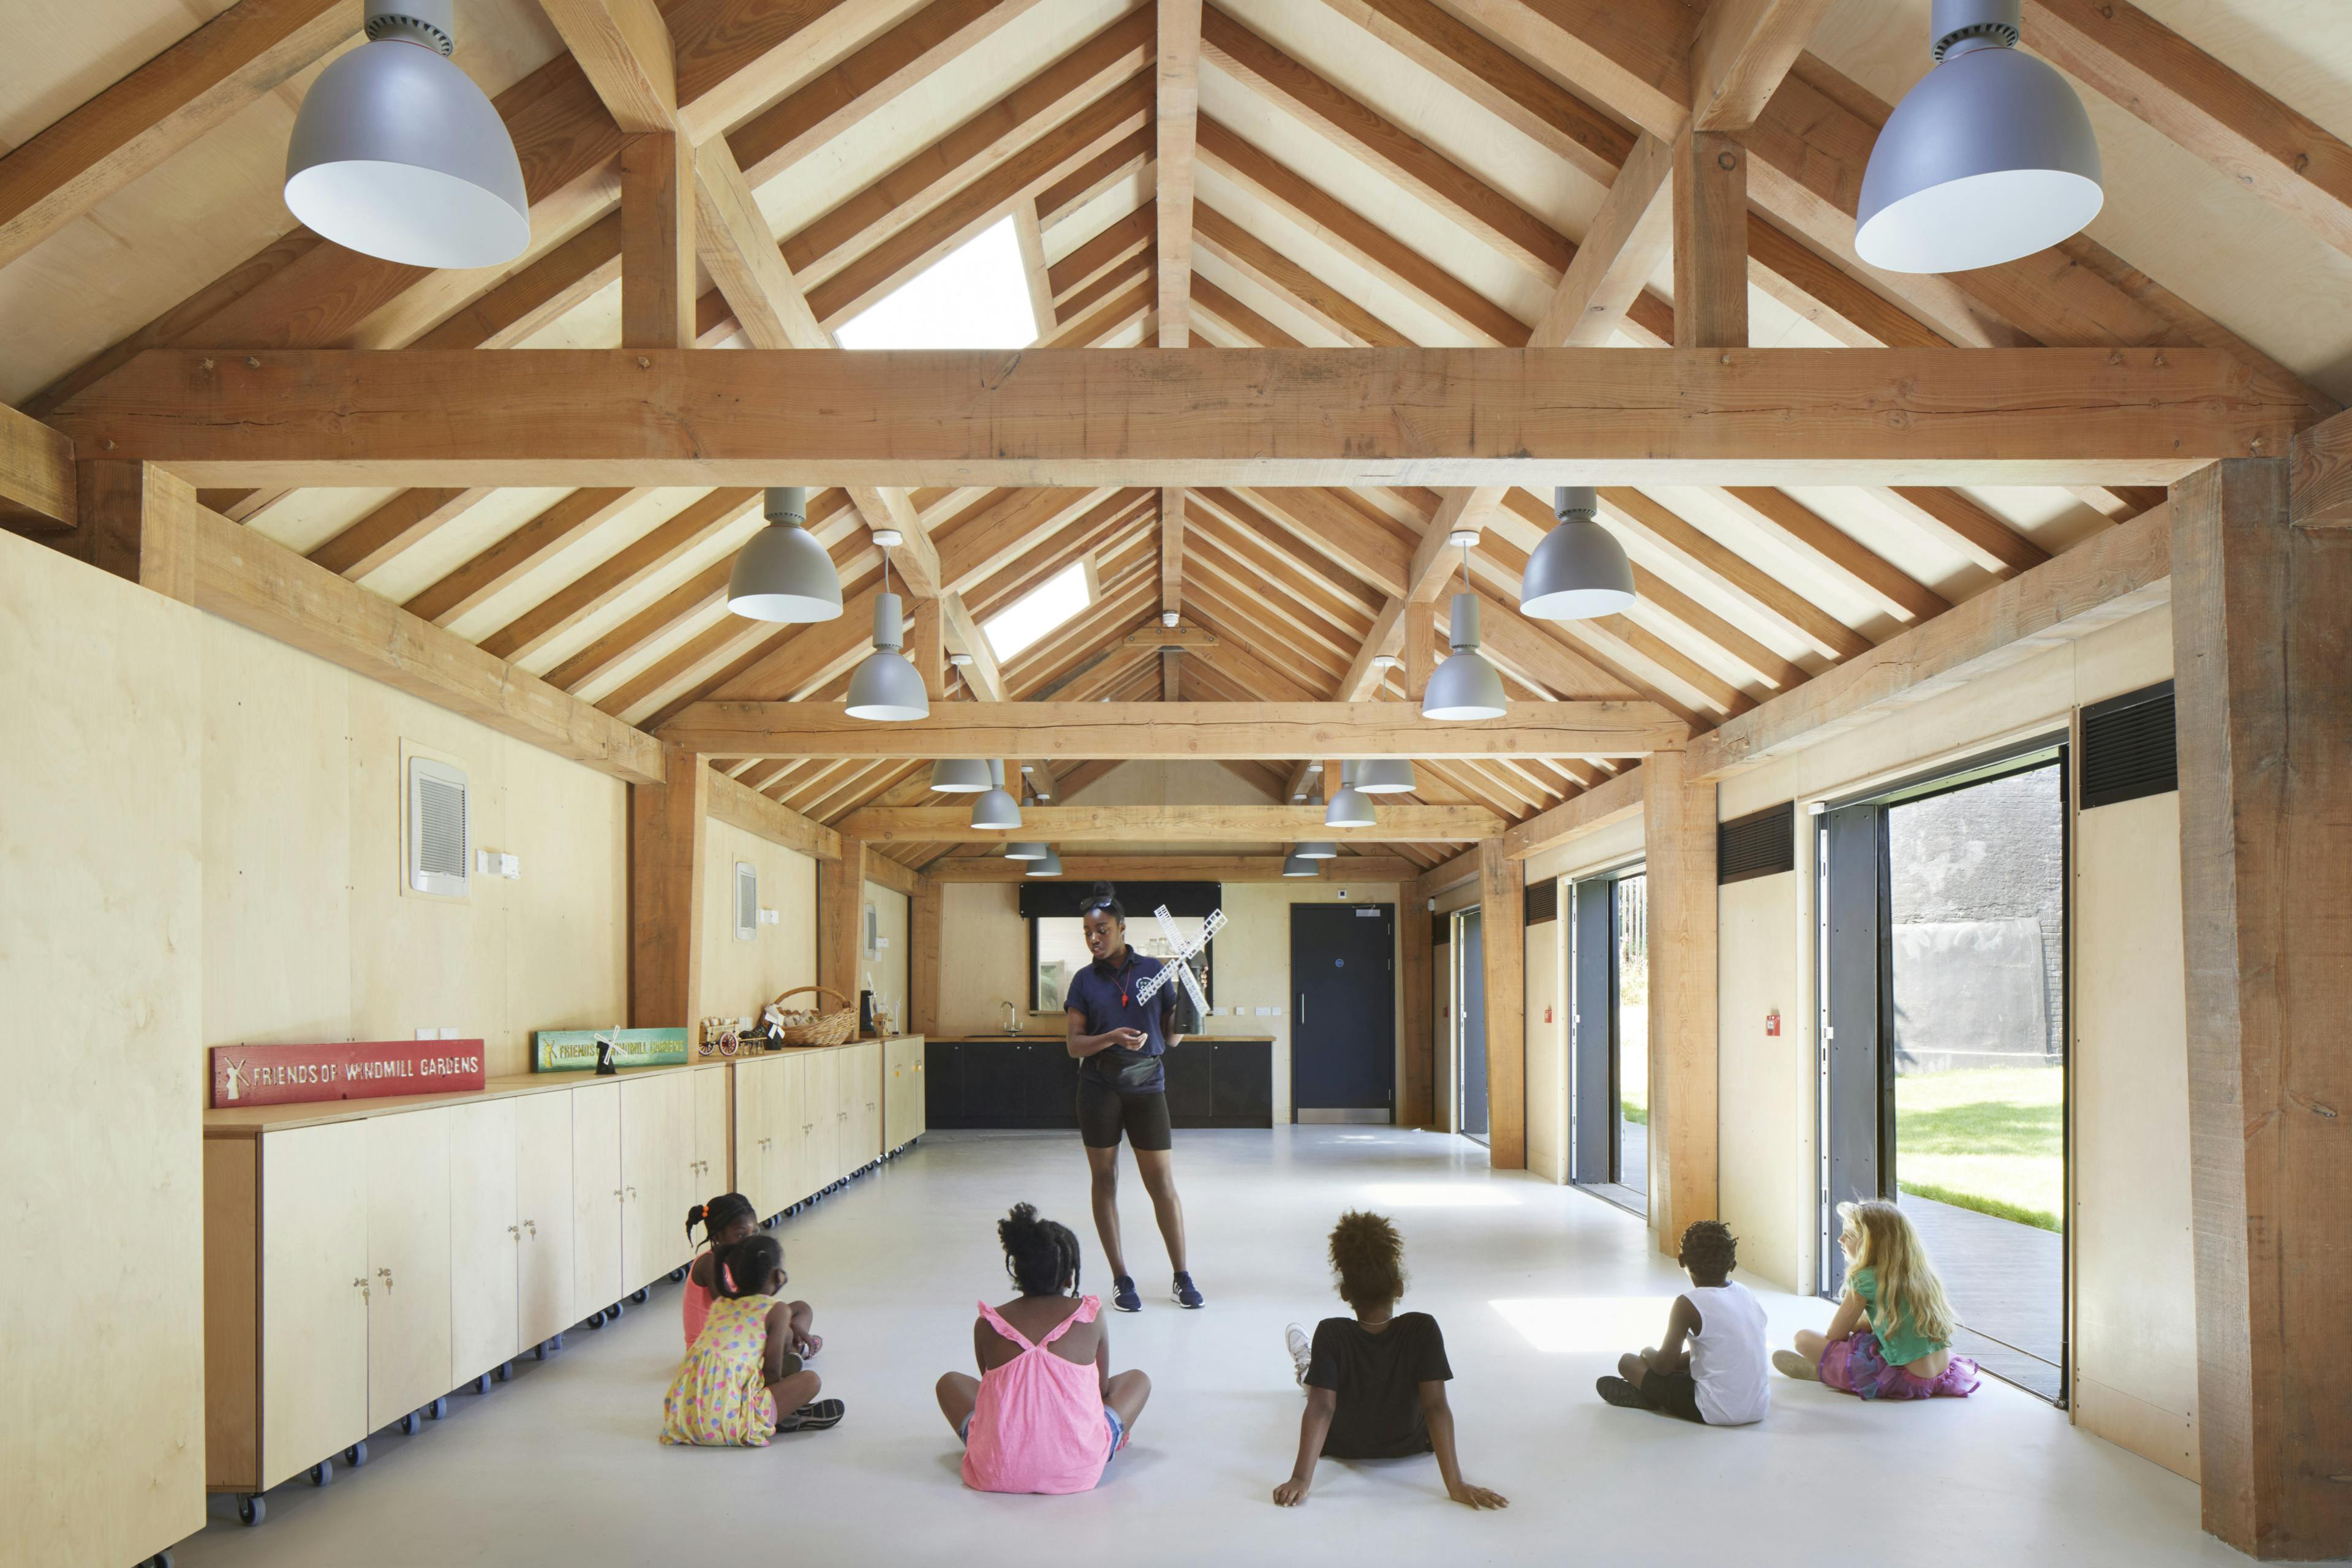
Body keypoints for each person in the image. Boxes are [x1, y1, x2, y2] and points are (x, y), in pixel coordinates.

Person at [1273, 1211, 1506, 1510]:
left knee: (1317, 1386)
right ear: (1399, 1287)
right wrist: (1456, 1486)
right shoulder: (1423, 1329)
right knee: (1333, 1375)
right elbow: (1435, 1406)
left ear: (1345, 1293)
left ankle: (1308, 1368)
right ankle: (1310, 1369)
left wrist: (1301, 1479)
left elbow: (1321, 1407)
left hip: (1344, 1446)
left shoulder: (1332, 1332)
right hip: (1409, 1445)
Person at [935, 1203, 1152, 1494]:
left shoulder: (989, 1323)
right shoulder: (1089, 1315)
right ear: (1068, 1276)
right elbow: (1099, 1392)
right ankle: (1103, 1441)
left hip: (995, 1470)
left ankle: (1000, 1450)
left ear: (1017, 1272)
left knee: (950, 1383)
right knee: (1138, 1380)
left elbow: (994, 1393)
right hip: (1079, 1470)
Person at [1062, 883, 1204, 1312]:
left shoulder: (1155, 971)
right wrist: (1110, 1038)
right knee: (1105, 1180)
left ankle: (1182, 1276)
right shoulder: (1084, 980)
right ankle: (1122, 1279)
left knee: (1161, 1183)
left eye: (1102, 930)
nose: (1094, 939)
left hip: (1148, 1088)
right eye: (1088, 932)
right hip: (1099, 1089)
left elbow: (1174, 1037)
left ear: (1122, 928)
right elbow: (1074, 1046)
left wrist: (1193, 994)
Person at [1774, 1199, 1980, 1400]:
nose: (1840, 1239)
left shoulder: (1864, 1279)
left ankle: (1831, 1373)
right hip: (1940, 1376)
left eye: (1849, 1235)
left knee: (1802, 1339)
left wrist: (1852, 1328)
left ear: (1870, 1245)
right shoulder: (1921, 1274)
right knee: (1864, 1336)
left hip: (1904, 1380)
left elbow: (1835, 1334)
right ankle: (1832, 1369)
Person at [660, 1234, 844, 1445]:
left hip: (683, 1419)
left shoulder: (721, 1303)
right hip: (728, 1425)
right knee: (811, 1380)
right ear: (778, 1277)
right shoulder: (777, 1311)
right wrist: (778, 1392)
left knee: (771, 1353)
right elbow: (772, 1371)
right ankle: (780, 1417)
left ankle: (781, 1410)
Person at [1593, 1219, 1770, 1425]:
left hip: (1714, 1411)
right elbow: (1729, 1348)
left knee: (1628, 1363)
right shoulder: (1745, 1293)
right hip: (1759, 1407)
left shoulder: (1687, 1304)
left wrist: (1647, 1351)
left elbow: (1662, 1367)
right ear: (1733, 1265)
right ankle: (1655, 1395)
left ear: (1681, 1261)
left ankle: (1651, 1397)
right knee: (1687, 1366)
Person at [680, 1192, 759, 1349]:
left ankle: (793, 1351)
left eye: (755, 1232)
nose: (750, 1241)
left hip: (730, 1334)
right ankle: (790, 1353)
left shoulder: (739, 1259)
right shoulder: (710, 1263)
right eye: (741, 1235)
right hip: (708, 1350)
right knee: (779, 1322)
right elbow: (729, 1310)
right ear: (718, 1236)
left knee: (800, 1310)